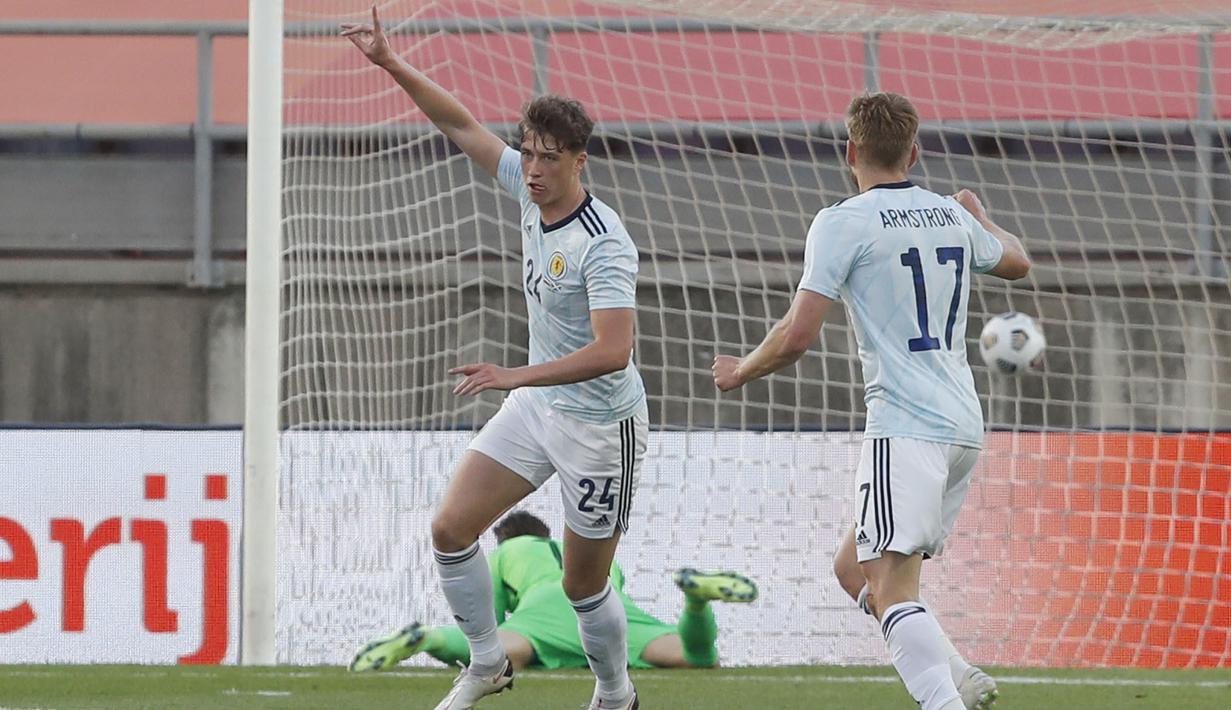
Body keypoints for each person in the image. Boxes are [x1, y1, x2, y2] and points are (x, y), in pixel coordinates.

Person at [343, 8, 649, 709]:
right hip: (539, 407)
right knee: (450, 529)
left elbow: (612, 350)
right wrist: (389, 63)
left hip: (601, 427)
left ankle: (613, 692)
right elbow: (458, 125)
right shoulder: (523, 186)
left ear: (579, 160)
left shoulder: (605, 243)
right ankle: (486, 662)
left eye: (548, 157)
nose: (532, 168)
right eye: (528, 152)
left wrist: (513, 374)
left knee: (581, 585)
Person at [712, 91, 1030, 710]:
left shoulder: (842, 220)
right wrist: (978, 215)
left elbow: (796, 336)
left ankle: (943, 701)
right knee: (853, 569)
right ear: (914, 151)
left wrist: (742, 370)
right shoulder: (948, 214)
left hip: (905, 424)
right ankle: (959, 676)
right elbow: (1017, 260)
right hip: (963, 425)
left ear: (851, 150)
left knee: (892, 584)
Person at [350, 511, 758, 674]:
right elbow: (613, 584)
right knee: (697, 658)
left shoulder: (506, 554)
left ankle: (428, 637)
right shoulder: (579, 548)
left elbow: (487, 621)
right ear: (546, 534)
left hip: (545, 611)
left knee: (491, 652)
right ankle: (696, 600)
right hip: (607, 606)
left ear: (505, 539)